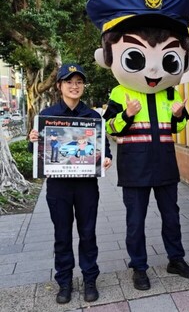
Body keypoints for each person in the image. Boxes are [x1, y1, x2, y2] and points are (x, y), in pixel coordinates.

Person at [86, 0, 189, 291]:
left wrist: (180, 114)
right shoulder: (119, 93)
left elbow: (179, 127)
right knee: (135, 221)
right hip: (133, 164)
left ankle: (176, 259)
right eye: (138, 57)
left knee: (171, 216)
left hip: (164, 161)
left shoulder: (172, 94)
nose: (152, 71)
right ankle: (139, 266)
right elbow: (110, 127)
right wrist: (127, 115)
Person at [28, 64, 113, 304]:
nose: (74, 86)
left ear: (83, 86)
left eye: (79, 82)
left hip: (86, 186)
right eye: (69, 82)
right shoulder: (47, 115)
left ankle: (89, 280)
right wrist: (34, 139)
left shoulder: (93, 117)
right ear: (59, 86)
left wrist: (106, 158)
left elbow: (104, 148)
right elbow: (37, 152)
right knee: (62, 235)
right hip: (58, 187)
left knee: (88, 234)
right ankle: (64, 282)